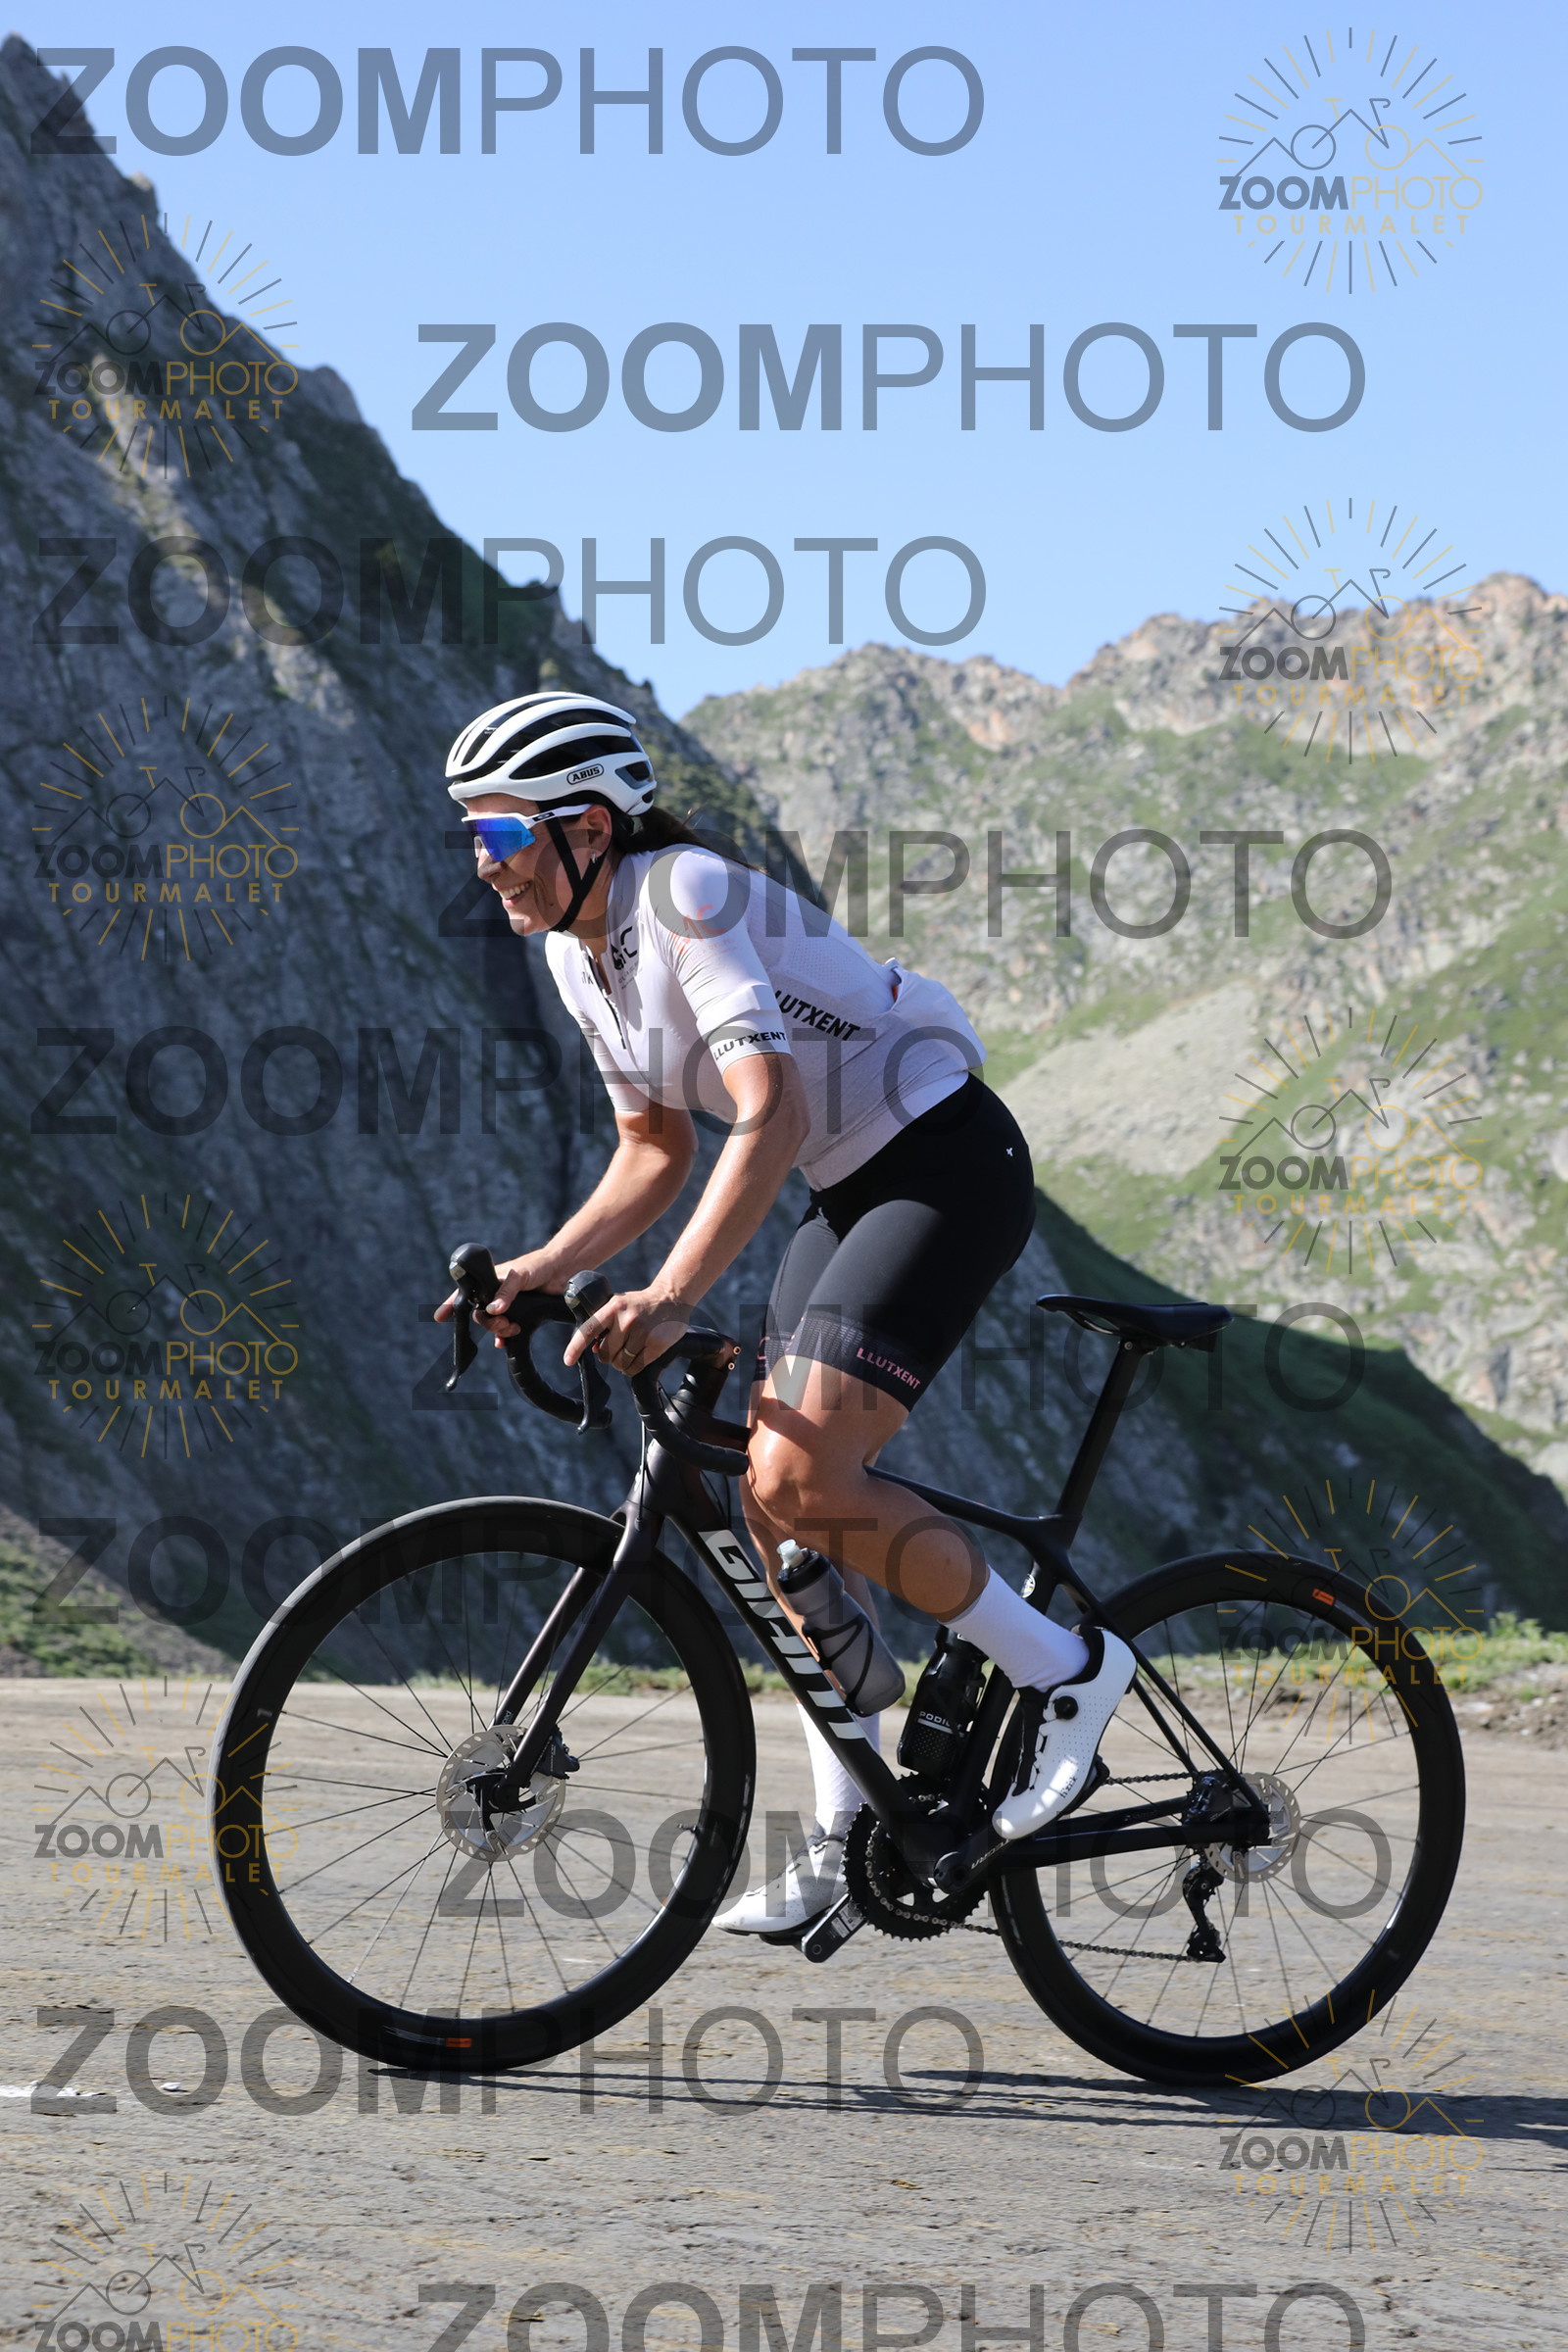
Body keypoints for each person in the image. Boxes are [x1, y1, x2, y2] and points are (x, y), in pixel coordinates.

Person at [435, 690, 1135, 1935]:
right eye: (472, 840)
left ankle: (1066, 1671)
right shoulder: (575, 952)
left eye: (499, 836)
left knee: (804, 1475)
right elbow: (653, 1148)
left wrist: (670, 1295)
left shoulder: (684, 895)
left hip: (943, 1162)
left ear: (587, 826)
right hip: (845, 1185)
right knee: (767, 1505)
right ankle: (852, 1826)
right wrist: (542, 1268)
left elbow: (772, 1114)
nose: (484, 866)